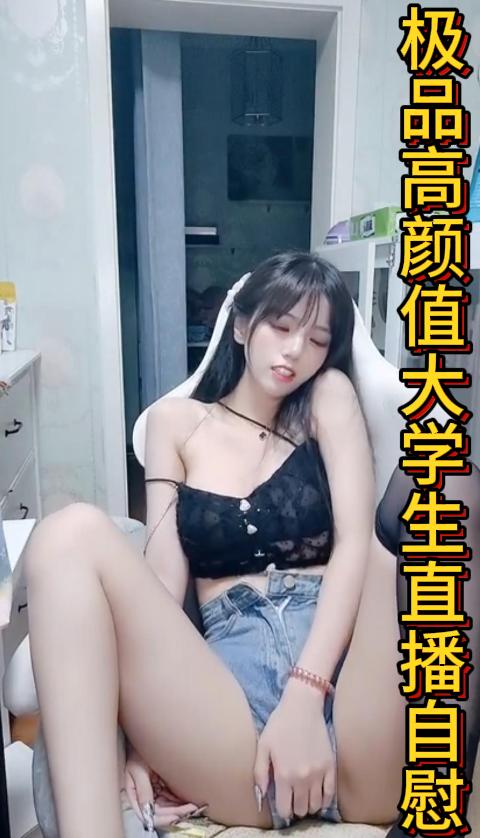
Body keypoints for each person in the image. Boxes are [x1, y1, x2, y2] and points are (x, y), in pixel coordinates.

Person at [24, 251, 479, 838]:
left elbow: (352, 547)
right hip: (231, 718)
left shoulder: (328, 397)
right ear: (241, 326)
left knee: (439, 483)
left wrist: (306, 695)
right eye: (281, 327)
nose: (295, 351)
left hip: (351, 695)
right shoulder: (174, 423)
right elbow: (164, 583)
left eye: (317, 340)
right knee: (66, 533)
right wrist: (138, 734)